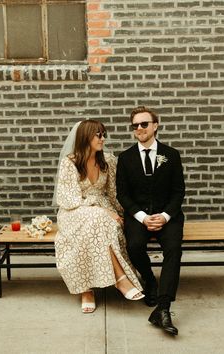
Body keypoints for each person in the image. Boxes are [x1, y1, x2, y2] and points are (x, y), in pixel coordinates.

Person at [53, 119, 144, 314]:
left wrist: (122, 214)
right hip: (74, 212)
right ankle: (120, 280)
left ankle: (87, 291)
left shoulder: (109, 160)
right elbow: (68, 198)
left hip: (103, 209)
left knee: (102, 223)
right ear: (86, 137)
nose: (103, 139)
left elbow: (113, 192)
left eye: (104, 134)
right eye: (98, 135)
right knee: (97, 219)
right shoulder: (69, 162)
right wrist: (101, 210)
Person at [116, 106, 185, 335]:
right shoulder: (125, 158)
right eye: (135, 125)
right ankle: (150, 281)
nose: (139, 129)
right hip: (139, 216)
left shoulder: (171, 155)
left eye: (144, 124)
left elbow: (178, 192)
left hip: (168, 215)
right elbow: (122, 194)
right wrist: (143, 217)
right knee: (134, 246)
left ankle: (163, 307)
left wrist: (165, 216)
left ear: (155, 125)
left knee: (174, 248)